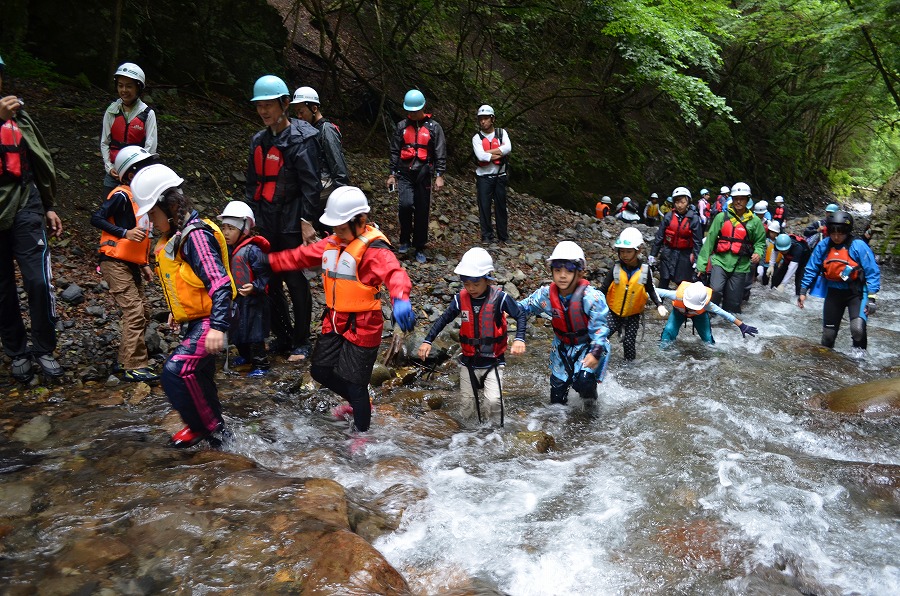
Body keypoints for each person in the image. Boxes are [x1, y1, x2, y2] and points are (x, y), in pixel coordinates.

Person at [265, 186, 415, 432]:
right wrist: (268, 262)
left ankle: (362, 435)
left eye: (342, 228)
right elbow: (299, 257)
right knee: (320, 370)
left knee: (356, 384)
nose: (337, 233)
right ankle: (360, 403)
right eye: (334, 228)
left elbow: (395, 273)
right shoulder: (332, 242)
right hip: (335, 318)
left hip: (365, 323)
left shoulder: (375, 250)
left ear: (361, 221)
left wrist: (401, 299)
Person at [131, 164, 236, 447]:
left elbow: (220, 283)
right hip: (201, 319)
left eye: (153, 213)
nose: (151, 222)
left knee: (176, 371)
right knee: (199, 376)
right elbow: (188, 283)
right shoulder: (179, 236)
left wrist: (217, 327)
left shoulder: (196, 236)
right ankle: (220, 434)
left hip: (215, 318)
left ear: (171, 205)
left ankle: (206, 428)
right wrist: (179, 314)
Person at [246, 75, 321, 362]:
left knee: (295, 279)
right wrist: (251, 222)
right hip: (266, 220)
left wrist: (306, 221)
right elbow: (253, 184)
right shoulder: (258, 141)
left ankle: (301, 341)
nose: (264, 111)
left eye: (269, 105)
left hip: (292, 220)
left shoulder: (303, 140)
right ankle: (282, 335)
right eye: (260, 106)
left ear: (284, 104)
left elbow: (311, 185)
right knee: (270, 280)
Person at [0, 55, 65, 383]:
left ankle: (43, 347)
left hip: (27, 205)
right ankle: (16, 350)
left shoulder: (17, 115)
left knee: (38, 281)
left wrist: (48, 204)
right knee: (2, 288)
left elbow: (38, 160)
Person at [418, 247, 526, 425]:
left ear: (487, 279)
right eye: (466, 284)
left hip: (493, 362)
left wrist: (520, 338)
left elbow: (520, 315)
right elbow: (443, 319)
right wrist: (427, 341)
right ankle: (468, 440)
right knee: (467, 407)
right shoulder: (461, 299)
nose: (471, 288)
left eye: (475, 284)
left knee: (492, 402)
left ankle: (495, 436)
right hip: (468, 363)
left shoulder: (500, 299)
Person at [89, 145, 159, 382]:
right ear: (131, 173)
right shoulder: (121, 195)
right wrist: (123, 233)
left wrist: (145, 264)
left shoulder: (141, 199)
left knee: (144, 311)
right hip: (113, 262)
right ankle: (134, 365)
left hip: (130, 263)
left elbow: (143, 237)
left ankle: (126, 360)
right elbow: (96, 218)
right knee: (134, 310)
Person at [518, 241, 610, 405]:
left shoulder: (591, 298)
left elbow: (600, 329)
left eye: (568, 270)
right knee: (557, 397)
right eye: (557, 270)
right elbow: (525, 307)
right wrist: (505, 309)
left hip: (589, 344)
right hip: (562, 346)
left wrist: (595, 352)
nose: (562, 275)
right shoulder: (545, 295)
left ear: (580, 273)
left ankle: (591, 414)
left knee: (584, 381)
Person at [798, 210, 880, 359]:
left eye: (840, 233)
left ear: (847, 231)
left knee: (857, 329)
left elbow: (872, 271)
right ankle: (826, 364)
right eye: (833, 233)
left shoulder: (858, 246)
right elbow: (811, 267)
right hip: (834, 293)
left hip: (856, 293)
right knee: (828, 336)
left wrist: (872, 298)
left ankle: (860, 361)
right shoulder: (824, 245)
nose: (836, 237)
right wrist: (803, 291)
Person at [386, 89, 447, 263]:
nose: (412, 114)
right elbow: (395, 151)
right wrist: (392, 174)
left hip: (424, 174)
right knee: (405, 205)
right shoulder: (401, 127)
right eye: (409, 111)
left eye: (415, 110)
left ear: (422, 108)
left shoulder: (434, 127)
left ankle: (419, 246)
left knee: (422, 210)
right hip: (405, 173)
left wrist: (439, 174)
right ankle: (404, 239)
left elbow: (440, 151)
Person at [217, 201, 271, 377]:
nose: (225, 232)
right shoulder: (228, 250)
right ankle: (245, 356)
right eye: (224, 227)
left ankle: (261, 364)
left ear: (244, 228)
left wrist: (255, 287)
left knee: (255, 333)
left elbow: (265, 275)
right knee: (237, 329)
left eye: (231, 228)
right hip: (237, 298)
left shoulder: (253, 251)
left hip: (254, 299)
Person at [696, 182, 766, 313]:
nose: (738, 201)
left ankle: (727, 328)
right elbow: (709, 242)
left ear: (747, 200)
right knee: (715, 290)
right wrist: (701, 265)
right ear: (732, 199)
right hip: (720, 261)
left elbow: (760, 242)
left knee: (733, 303)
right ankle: (709, 319)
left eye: (742, 198)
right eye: (736, 198)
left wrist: (758, 252)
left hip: (741, 265)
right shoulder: (721, 217)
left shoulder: (755, 222)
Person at [598, 228, 666, 361]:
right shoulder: (615, 268)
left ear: (638, 250)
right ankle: (595, 361)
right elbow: (604, 289)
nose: (624, 255)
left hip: (633, 315)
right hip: (613, 312)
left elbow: (651, 289)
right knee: (601, 336)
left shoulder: (645, 271)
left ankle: (628, 369)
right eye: (622, 251)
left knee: (629, 344)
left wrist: (659, 304)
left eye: (628, 251)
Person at [291, 86, 350, 225]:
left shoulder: (326, 130)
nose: (299, 117)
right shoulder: (309, 129)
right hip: (314, 186)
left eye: (301, 112)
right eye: (296, 113)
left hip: (326, 190)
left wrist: (341, 197)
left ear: (314, 109)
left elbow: (338, 166)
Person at [100, 63, 157, 196]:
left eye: (129, 86)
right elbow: (105, 142)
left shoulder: (147, 114)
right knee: (108, 211)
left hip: (136, 175)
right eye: (120, 85)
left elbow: (151, 147)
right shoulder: (112, 111)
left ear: (138, 88)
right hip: (114, 172)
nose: (124, 90)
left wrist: (136, 171)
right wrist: (109, 167)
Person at [657, 281, 758, 348]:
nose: (691, 307)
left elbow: (724, 314)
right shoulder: (676, 295)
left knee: (708, 339)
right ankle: (662, 351)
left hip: (699, 315)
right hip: (678, 312)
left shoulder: (707, 304)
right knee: (668, 331)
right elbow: (654, 291)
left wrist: (741, 325)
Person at [649, 186, 703, 291]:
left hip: (685, 254)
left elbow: (697, 242)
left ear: (688, 202)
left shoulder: (694, 219)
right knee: (664, 279)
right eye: (677, 202)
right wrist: (652, 254)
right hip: (668, 252)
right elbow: (659, 237)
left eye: (682, 202)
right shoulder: (668, 216)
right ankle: (659, 304)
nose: (679, 205)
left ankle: (680, 306)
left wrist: (697, 260)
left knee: (682, 282)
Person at [472, 105, 512, 244]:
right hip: (483, 177)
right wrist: (498, 152)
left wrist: (488, 153)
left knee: (501, 206)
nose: (483, 122)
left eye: (486, 118)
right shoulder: (476, 138)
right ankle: (486, 236)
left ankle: (503, 236)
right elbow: (480, 157)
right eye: (481, 119)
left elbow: (508, 148)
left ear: (492, 119)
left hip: (500, 175)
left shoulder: (501, 133)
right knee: (484, 206)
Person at [757, 220, 783, 285]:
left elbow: (783, 253)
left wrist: (781, 262)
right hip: (766, 264)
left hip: (776, 265)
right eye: (771, 232)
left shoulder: (780, 242)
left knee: (775, 281)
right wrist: (761, 265)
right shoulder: (766, 241)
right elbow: (763, 254)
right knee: (764, 282)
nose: (773, 234)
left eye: (775, 232)